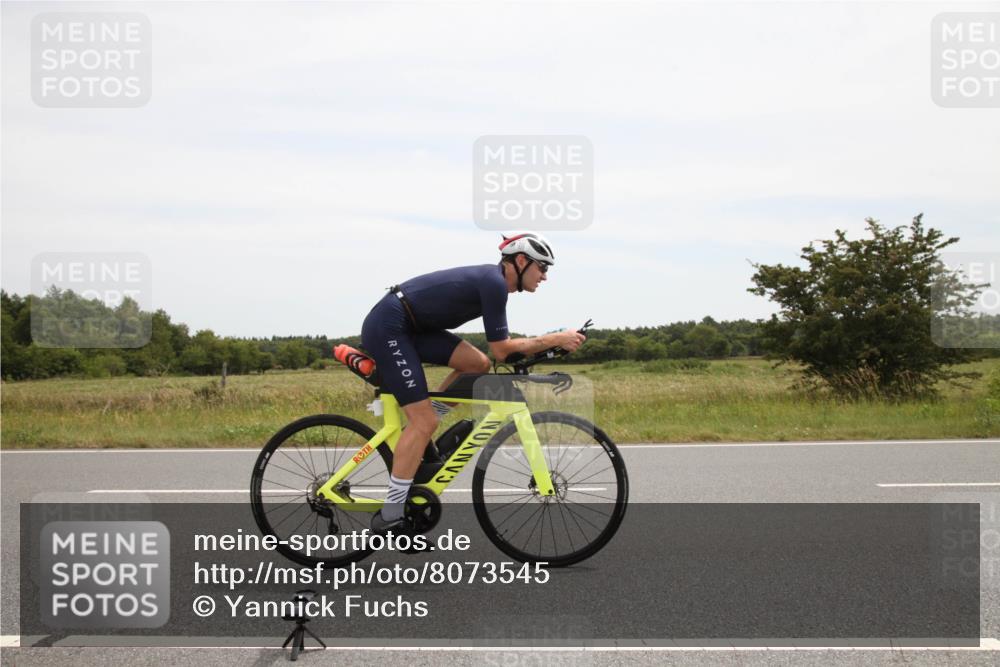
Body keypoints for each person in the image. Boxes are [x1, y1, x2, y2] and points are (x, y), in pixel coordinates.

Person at [360, 232, 586, 533]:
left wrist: (548, 345)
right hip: (390, 326)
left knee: (476, 365)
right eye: (542, 267)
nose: (544, 276)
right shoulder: (494, 284)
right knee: (423, 420)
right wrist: (555, 338)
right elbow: (502, 350)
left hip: (412, 327)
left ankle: (420, 434)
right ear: (520, 261)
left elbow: (493, 357)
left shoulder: (494, 284)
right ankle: (390, 516)